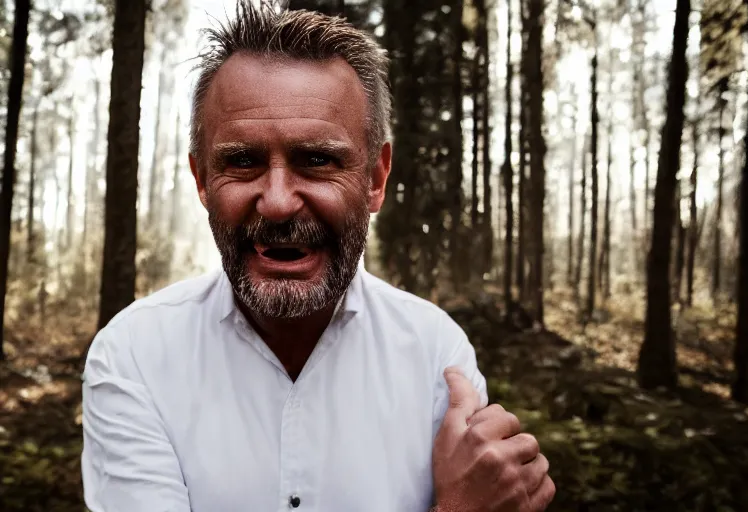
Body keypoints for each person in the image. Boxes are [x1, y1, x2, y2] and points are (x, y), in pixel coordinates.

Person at [80, 3, 555, 511]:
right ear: (201, 180)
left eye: (318, 160)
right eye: (242, 161)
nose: (279, 201)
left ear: (375, 178)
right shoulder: (134, 355)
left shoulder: (435, 355)